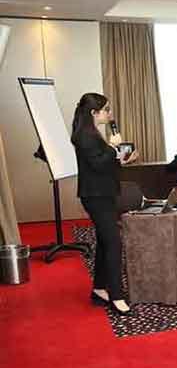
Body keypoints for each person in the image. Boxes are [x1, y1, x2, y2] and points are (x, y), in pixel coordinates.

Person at [71, 93, 138, 316]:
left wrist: (120, 158)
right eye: (106, 109)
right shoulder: (84, 135)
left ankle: (100, 289)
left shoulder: (91, 132)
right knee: (114, 243)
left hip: (104, 192)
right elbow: (98, 164)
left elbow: (102, 163)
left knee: (104, 241)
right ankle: (117, 296)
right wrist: (112, 147)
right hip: (95, 196)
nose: (109, 114)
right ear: (94, 112)